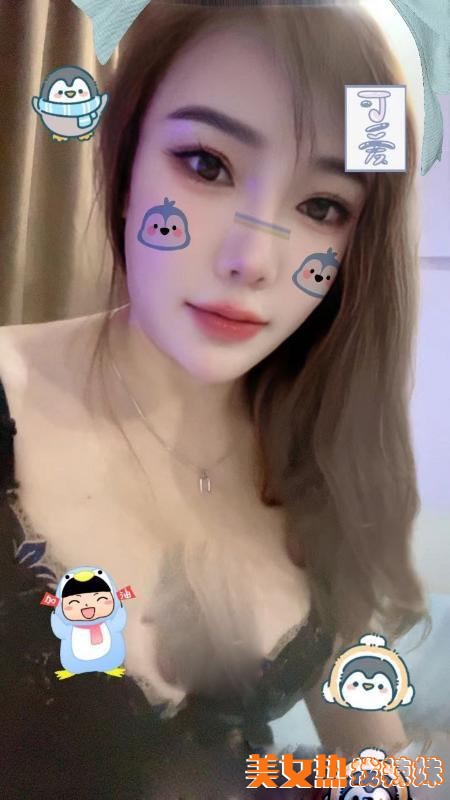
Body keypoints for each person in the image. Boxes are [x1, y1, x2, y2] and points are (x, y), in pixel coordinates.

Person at [0, 0, 427, 797]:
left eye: (322, 206)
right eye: (206, 164)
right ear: (125, 158)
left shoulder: (317, 468)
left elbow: (381, 766)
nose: (251, 259)